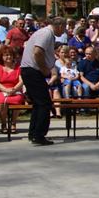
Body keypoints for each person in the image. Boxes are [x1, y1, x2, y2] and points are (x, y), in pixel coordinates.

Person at [19, 17, 66, 145]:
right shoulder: (46, 33)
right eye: (64, 28)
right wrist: (44, 69)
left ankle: (33, 133)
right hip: (32, 71)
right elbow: (38, 52)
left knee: (38, 104)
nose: (64, 31)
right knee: (44, 103)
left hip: (31, 71)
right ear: (60, 26)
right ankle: (39, 135)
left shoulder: (46, 33)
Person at [0, 45, 25, 133]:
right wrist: (5, 90)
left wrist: (14, 89)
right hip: (1, 90)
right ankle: (3, 123)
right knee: (1, 101)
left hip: (15, 89)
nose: (9, 57)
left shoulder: (18, 67)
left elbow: (21, 81)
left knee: (17, 99)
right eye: (6, 55)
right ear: (1, 57)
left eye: (10, 55)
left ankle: (13, 123)